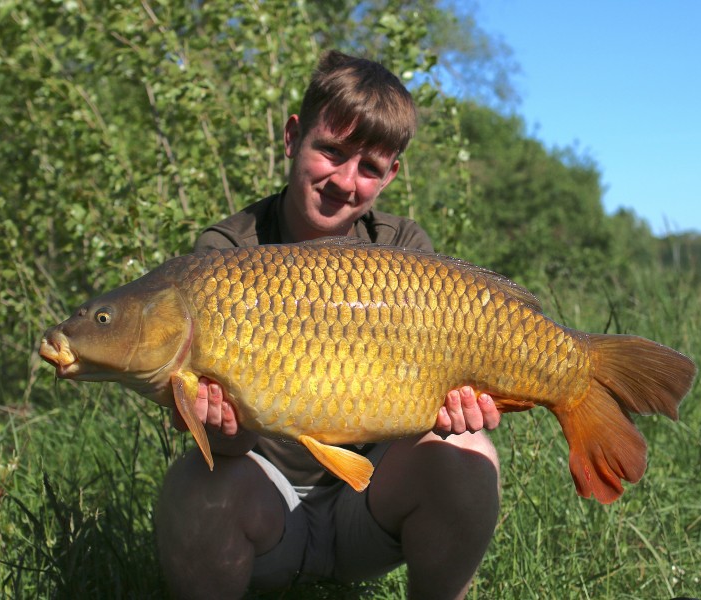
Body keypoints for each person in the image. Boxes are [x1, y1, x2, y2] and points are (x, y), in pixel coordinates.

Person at [155, 50, 501, 600]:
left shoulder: (402, 251)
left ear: (391, 174)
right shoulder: (223, 256)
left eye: (369, 168)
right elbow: (227, 447)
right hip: (266, 511)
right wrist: (215, 425)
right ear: (293, 137)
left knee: (470, 452)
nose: (345, 180)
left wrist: (454, 411)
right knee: (195, 484)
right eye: (332, 152)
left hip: (367, 508)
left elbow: (425, 416)